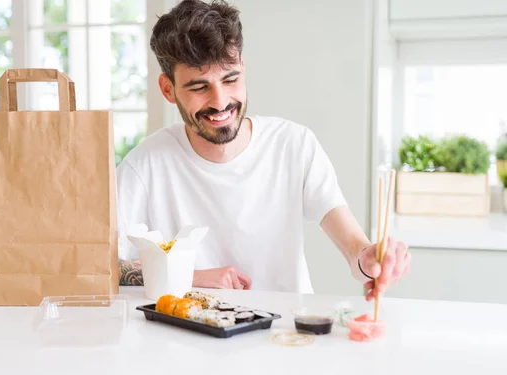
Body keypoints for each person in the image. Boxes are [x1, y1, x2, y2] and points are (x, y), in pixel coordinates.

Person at [116, 0, 410, 300]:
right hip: (186, 340)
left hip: (287, 337)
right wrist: (192, 277)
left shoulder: (294, 145)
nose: (220, 101)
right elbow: (95, 267)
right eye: (199, 87)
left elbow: (355, 248)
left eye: (231, 79)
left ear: (243, 68)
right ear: (168, 89)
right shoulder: (145, 165)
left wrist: (369, 259)